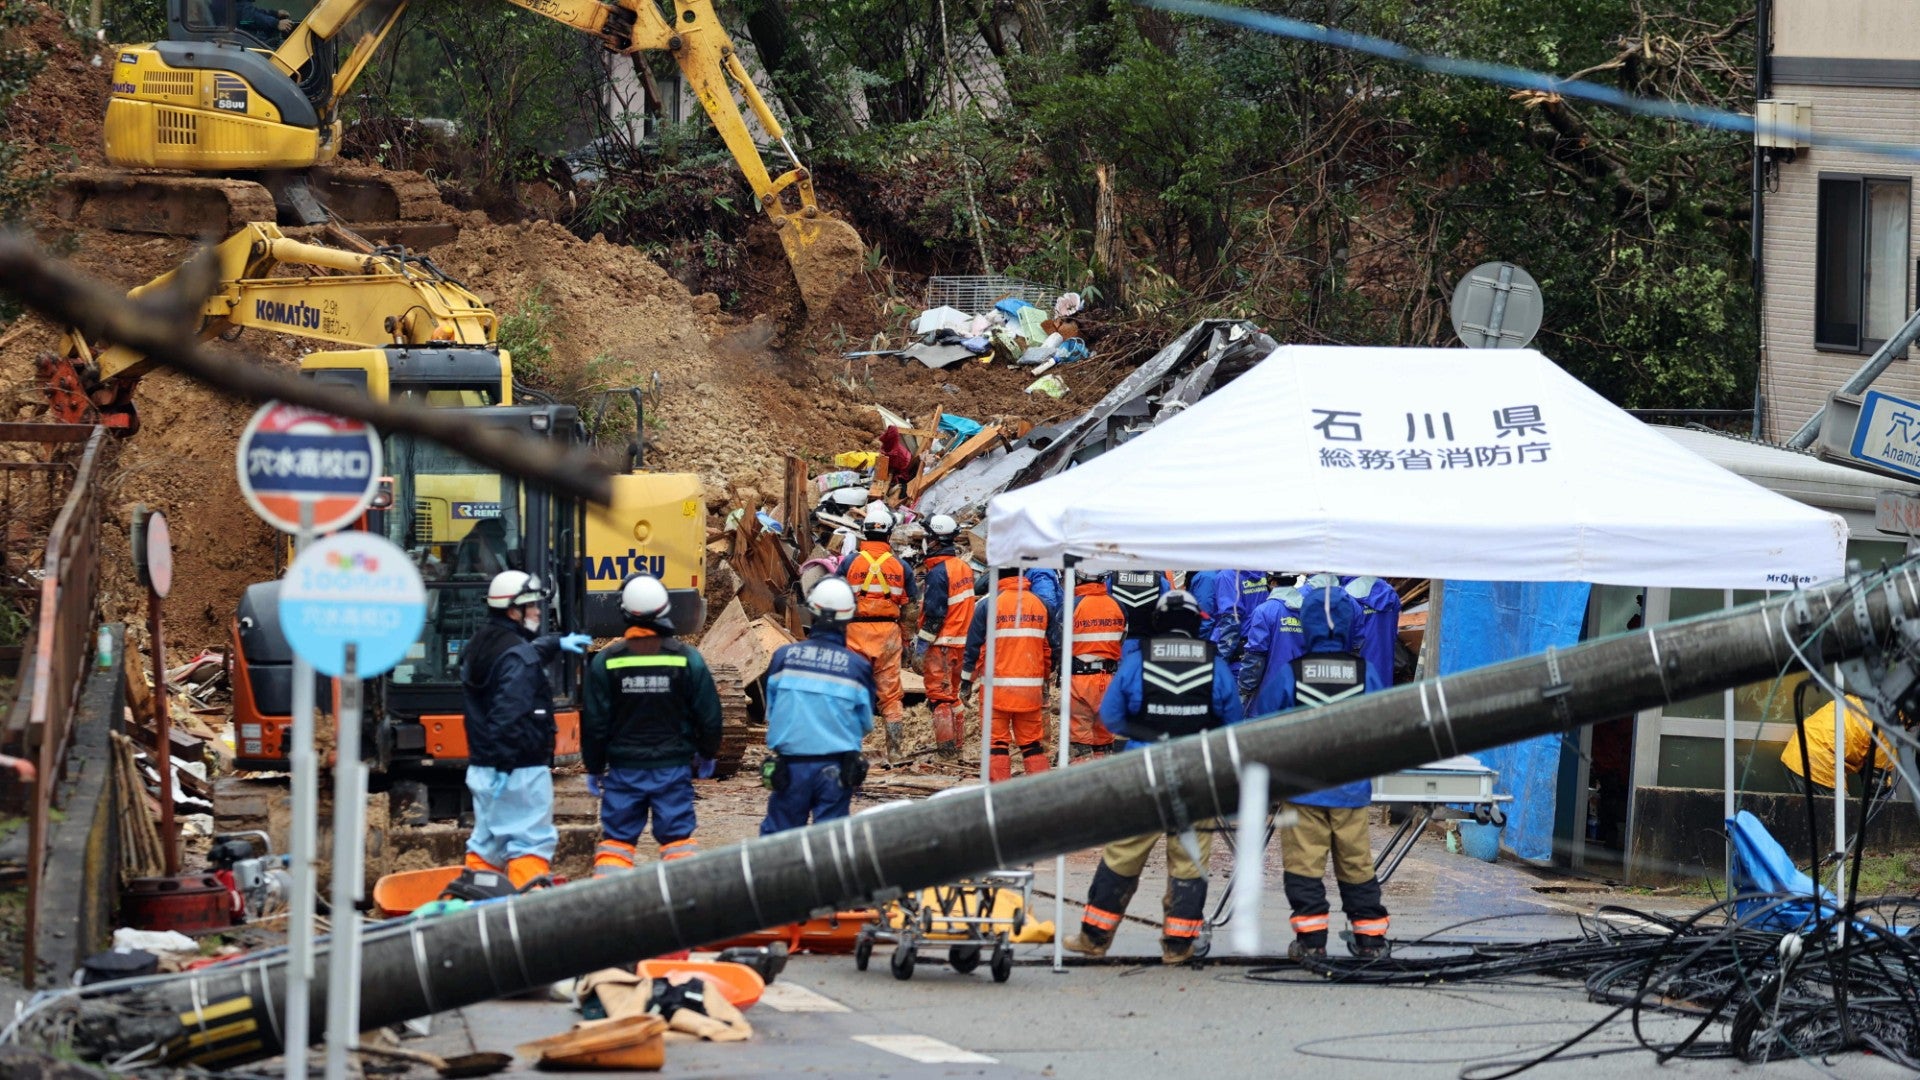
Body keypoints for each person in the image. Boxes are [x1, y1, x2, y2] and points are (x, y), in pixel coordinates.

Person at [1063, 590, 1245, 964]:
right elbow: (1233, 724)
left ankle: (1094, 938)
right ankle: (1178, 947)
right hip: (1197, 775)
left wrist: (1145, 731)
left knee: (1123, 854)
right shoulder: (1215, 665)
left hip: (1145, 774)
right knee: (1189, 861)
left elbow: (1111, 716)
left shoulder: (1137, 660)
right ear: (1196, 624)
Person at [1250, 581, 1391, 959]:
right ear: (1352, 626)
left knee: (1303, 867)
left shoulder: (1291, 673)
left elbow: (1263, 725)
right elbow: (1386, 725)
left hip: (1303, 790)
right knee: (1357, 864)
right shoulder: (1367, 674)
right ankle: (1371, 941)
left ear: (1307, 624)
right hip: (1350, 789)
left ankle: (1311, 944)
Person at [582, 576, 723, 874]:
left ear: (623, 611)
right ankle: (685, 906)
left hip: (623, 771)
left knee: (617, 843)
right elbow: (709, 715)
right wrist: (707, 754)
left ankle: (608, 907)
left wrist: (594, 766)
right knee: (677, 843)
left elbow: (595, 723)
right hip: (672, 770)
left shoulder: (606, 662)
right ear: (664, 610)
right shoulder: (687, 660)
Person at [460, 570, 591, 888]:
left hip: (484, 766)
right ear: (512, 610)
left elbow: (520, 654)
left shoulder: (480, 644)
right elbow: (510, 714)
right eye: (531, 606)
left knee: (487, 848)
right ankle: (528, 914)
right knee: (528, 845)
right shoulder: (518, 658)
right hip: (517, 771)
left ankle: (472, 906)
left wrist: (556, 643)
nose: (536, 612)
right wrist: (506, 766)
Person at [760, 580, 877, 833]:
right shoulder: (858, 668)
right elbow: (866, 724)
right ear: (849, 618)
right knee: (830, 847)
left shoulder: (783, 658)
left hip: (790, 768)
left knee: (778, 845)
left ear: (811, 612)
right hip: (835, 770)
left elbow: (772, 711)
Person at [837, 502, 917, 759]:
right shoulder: (901, 567)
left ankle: (848, 750)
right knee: (891, 695)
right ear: (889, 534)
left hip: (854, 632)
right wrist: (905, 640)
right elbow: (911, 609)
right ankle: (894, 753)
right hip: (888, 634)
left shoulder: (850, 562)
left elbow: (834, 599)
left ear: (864, 531)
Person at [962, 568, 1057, 780]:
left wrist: (965, 683)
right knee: (1032, 744)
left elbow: (973, 649)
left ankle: (999, 798)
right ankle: (1042, 794)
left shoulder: (987, 605)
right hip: (1030, 692)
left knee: (996, 743)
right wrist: (1045, 683)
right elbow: (1049, 649)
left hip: (996, 692)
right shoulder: (1042, 605)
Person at [1779, 694, 1899, 827]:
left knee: (1820, 824)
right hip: (1818, 761)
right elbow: (1876, 783)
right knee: (1844, 824)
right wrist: (1894, 815)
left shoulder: (1868, 700)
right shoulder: (1891, 726)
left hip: (1797, 753)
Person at [915, 514, 975, 757]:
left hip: (942, 643)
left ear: (935, 540)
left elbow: (935, 615)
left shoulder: (939, 573)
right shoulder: (963, 567)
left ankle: (946, 751)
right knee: (952, 695)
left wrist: (920, 647)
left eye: (928, 537)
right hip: (963, 642)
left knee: (939, 698)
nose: (925, 542)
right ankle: (957, 745)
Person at [1068, 571, 1127, 758]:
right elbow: (1122, 639)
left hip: (1080, 680)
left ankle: (1082, 781)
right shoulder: (1118, 605)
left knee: (1079, 742)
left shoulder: (1073, 605)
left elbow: (1060, 640)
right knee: (1104, 741)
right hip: (1109, 679)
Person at [1235, 577, 1307, 705]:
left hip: (1269, 691)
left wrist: (1245, 688)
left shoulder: (1264, 610)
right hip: (1302, 689)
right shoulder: (1308, 610)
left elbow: (1255, 654)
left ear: (1274, 583)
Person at [1108, 569, 1170, 657]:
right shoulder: (1160, 581)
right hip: (1150, 648)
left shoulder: (1112, 578)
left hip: (1117, 647)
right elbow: (1167, 617)